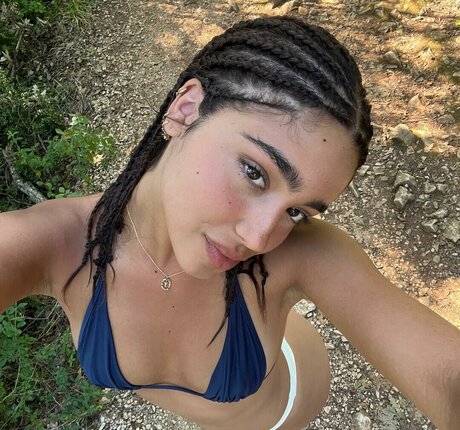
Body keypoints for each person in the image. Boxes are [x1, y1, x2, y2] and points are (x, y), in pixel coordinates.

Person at [0, 15, 459, 430]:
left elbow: (447, 377)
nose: (259, 238)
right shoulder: (57, 244)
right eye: (255, 172)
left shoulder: (303, 255)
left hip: (286, 406)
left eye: (297, 212)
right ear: (185, 109)